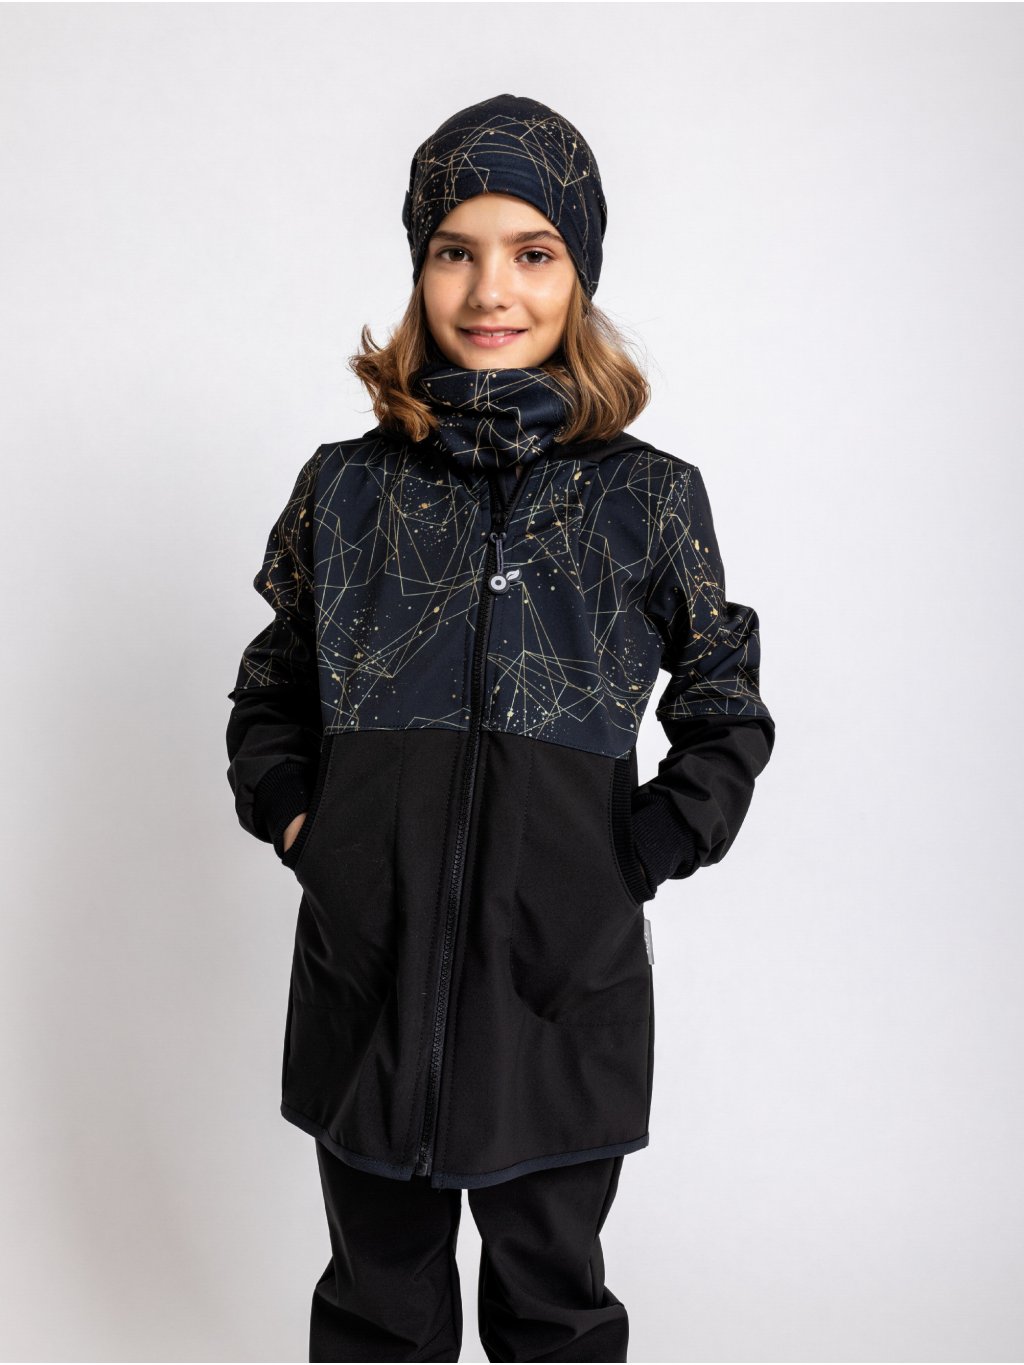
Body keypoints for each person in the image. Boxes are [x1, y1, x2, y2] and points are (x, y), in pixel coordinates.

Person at [225, 92, 775, 1364]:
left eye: (532, 252)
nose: (490, 290)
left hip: (557, 985)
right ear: (418, 268)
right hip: (371, 974)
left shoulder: (648, 500)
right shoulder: (347, 491)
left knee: (554, 1312)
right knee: (377, 1312)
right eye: (453, 251)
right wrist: (310, 827)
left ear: (578, 274)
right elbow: (271, 689)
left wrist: (630, 854)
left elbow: (724, 708)